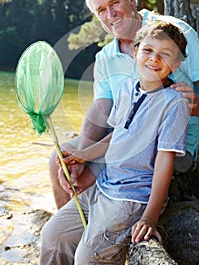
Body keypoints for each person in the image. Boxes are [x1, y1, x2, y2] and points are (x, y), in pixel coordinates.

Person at [49, 0, 199, 209]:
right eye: (101, 10)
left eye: (115, 3)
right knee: (59, 160)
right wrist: (81, 152)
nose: (110, 14)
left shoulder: (174, 33)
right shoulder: (105, 57)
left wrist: (195, 105)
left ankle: (102, 233)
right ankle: (70, 233)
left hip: (168, 146)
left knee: (106, 166)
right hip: (123, 138)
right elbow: (101, 107)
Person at [40, 20, 190, 264]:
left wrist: (150, 217)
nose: (154, 59)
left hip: (131, 199)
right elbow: (117, 136)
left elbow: (165, 160)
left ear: (175, 64)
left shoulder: (174, 103)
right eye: (148, 50)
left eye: (165, 55)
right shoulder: (126, 88)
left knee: (88, 258)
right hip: (104, 185)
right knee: (53, 235)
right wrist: (84, 155)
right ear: (135, 50)